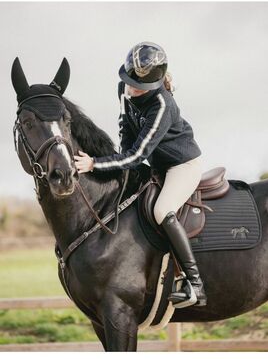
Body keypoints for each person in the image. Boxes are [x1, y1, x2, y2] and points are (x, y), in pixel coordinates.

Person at [74, 42, 207, 308]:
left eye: (140, 87)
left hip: (181, 166)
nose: (133, 89)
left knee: (162, 210)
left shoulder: (161, 105)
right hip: (156, 166)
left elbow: (137, 156)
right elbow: (126, 130)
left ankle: (195, 284)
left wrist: (94, 164)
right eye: (129, 82)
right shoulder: (124, 86)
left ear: (155, 84)